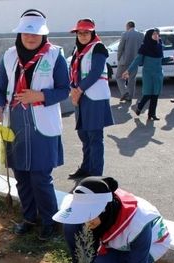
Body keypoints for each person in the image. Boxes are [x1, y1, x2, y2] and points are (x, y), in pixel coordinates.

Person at [0, 9, 70, 241]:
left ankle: (49, 222)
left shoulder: (55, 55)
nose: (30, 38)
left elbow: (64, 89)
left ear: (43, 35)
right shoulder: (9, 55)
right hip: (15, 122)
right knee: (22, 175)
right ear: (20, 34)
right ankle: (29, 217)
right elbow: (0, 88)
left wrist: (40, 95)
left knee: (40, 176)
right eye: (26, 33)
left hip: (41, 124)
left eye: (35, 34)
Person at [68, 19, 114, 180]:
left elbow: (95, 72)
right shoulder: (78, 49)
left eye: (86, 32)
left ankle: (95, 176)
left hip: (94, 98)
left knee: (95, 137)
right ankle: (86, 168)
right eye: (79, 33)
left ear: (92, 33)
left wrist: (78, 90)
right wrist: (73, 88)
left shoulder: (98, 48)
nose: (82, 36)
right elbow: (73, 70)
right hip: (80, 98)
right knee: (84, 135)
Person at [123, 28, 164, 121]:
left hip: (158, 73)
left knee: (155, 94)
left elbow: (161, 59)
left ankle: (152, 114)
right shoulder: (144, 47)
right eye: (153, 34)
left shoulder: (160, 45)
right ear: (149, 36)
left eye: (157, 34)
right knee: (148, 94)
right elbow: (137, 60)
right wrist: (128, 71)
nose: (156, 35)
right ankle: (139, 107)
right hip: (148, 74)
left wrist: (170, 59)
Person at [115, 20, 144, 102]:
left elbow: (120, 48)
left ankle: (124, 92)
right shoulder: (141, 35)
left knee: (119, 77)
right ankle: (130, 97)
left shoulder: (125, 34)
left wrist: (118, 58)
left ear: (128, 26)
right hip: (135, 61)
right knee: (132, 79)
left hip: (124, 60)